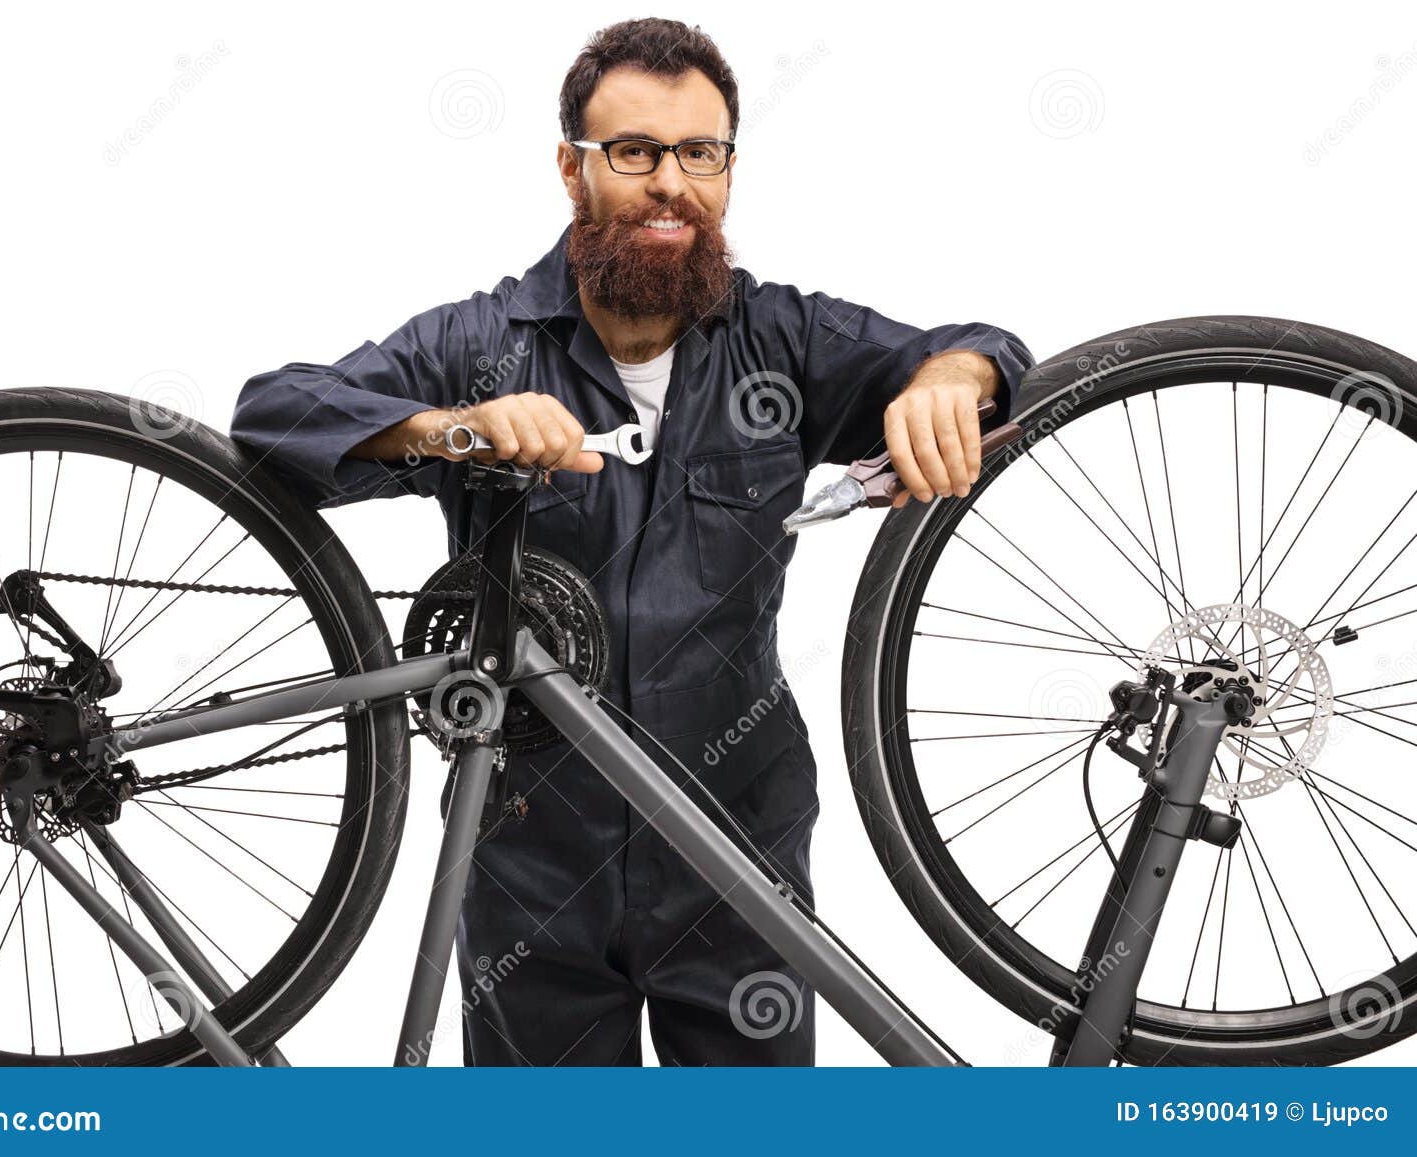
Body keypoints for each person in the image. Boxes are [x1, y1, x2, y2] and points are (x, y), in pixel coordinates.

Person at [230, 17, 1033, 1065]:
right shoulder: (480, 343)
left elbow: (978, 351)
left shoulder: (781, 339)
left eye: (700, 153)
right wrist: (448, 429)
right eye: (635, 153)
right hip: (529, 866)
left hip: (739, 855)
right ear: (572, 170)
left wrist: (949, 385)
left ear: (728, 168)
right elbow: (274, 412)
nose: (671, 184)